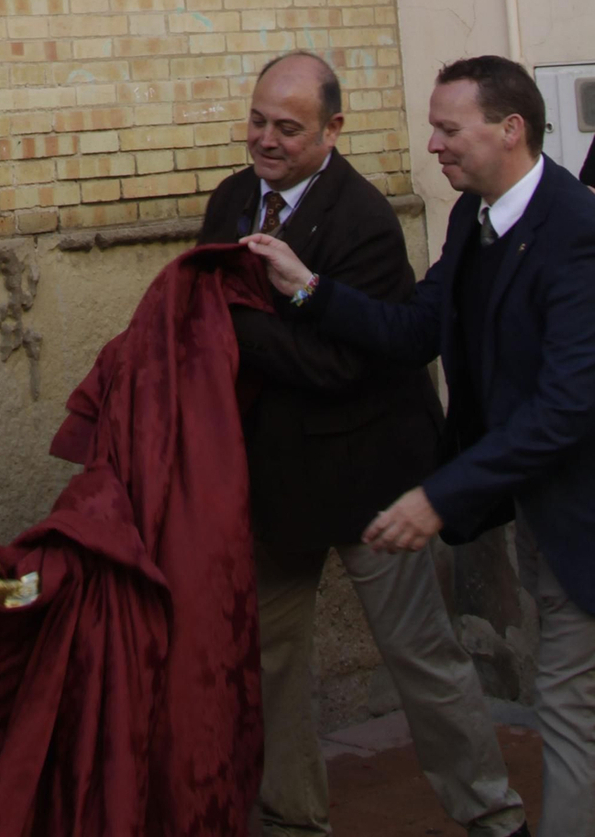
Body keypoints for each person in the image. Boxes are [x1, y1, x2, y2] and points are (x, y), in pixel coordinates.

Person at [249, 54, 595, 837]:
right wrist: (307, 289)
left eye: (447, 128)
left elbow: (567, 406)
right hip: (545, 513)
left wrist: (441, 494)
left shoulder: (575, 233)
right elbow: (412, 330)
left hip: (580, 514)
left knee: (571, 715)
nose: (432, 144)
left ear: (509, 129)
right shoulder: (475, 220)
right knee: (571, 709)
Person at [201, 52, 524, 837]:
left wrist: (241, 331)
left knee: (422, 658)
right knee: (268, 657)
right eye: (257, 121)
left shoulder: (365, 219)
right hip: (274, 487)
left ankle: (490, 812)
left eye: (288, 127)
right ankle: (291, 816)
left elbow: (341, 365)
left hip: (373, 479)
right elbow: (202, 314)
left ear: (332, 130)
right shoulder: (232, 201)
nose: (266, 141)